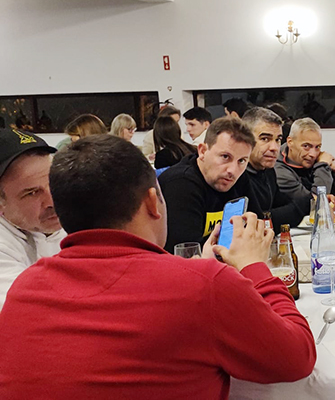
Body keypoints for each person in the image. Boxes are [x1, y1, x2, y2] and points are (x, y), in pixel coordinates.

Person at [0, 134, 316, 398]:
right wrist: (254, 265)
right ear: (153, 202)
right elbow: (296, 358)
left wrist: (198, 270)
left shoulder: (23, 290)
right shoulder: (204, 286)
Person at [158, 117, 254, 253]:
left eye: (242, 161)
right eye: (225, 157)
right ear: (202, 151)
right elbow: (187, 254)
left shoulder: (239, 178)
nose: (233, 170)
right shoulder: (180, 184)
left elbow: (256, 229)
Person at [0, 129, 64, 310]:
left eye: (53, 183)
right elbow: (32, 310)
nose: (52, 201)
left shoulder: (84, 215)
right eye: (32, 193)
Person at [236, 107, 305, 229]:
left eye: (278, 139)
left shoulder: (268, 171)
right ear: (245, 139)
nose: (274, 147)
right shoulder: (236, 175)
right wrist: (303, 206)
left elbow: (282, 203)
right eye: (265, 139)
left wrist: (313, 200)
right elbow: (259, 222)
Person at [275, 117, 335, 204]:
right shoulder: (279, 171)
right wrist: (323, 165)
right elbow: (314, 203)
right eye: (306, 146)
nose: (313, 154)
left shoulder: (312, 159)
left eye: (317, 147)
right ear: (290, 142)